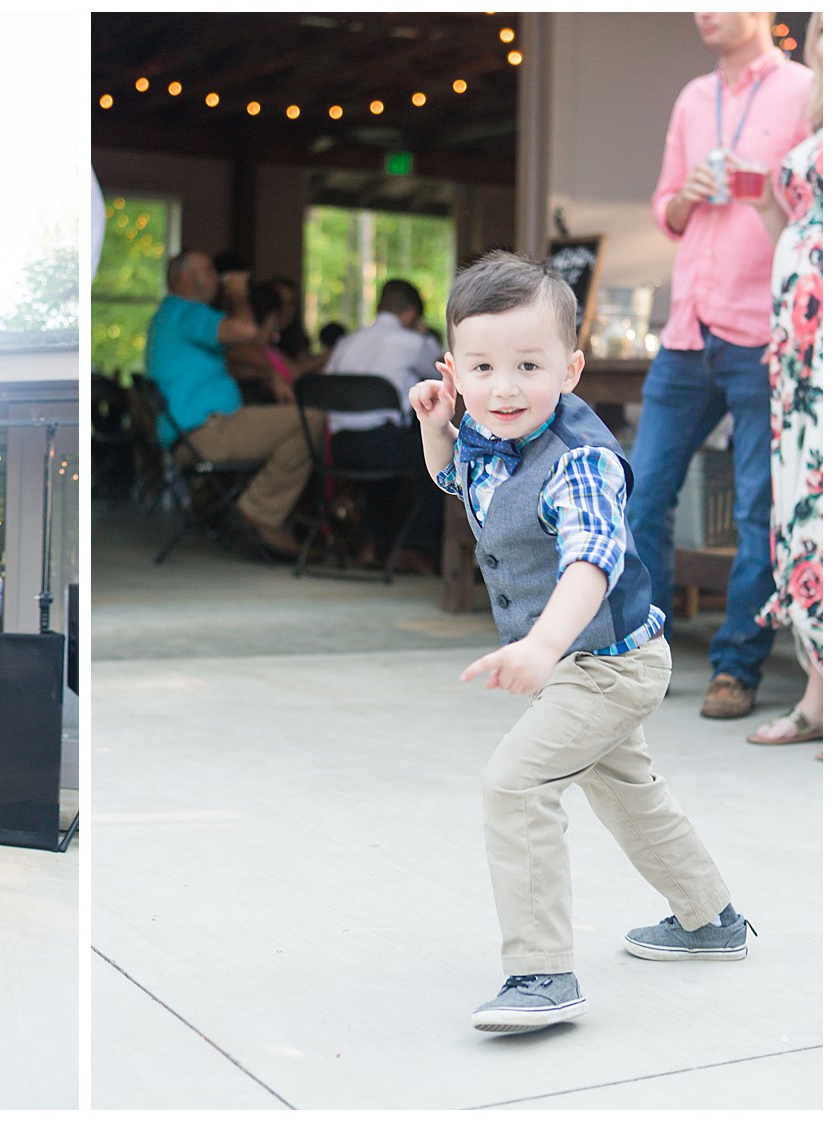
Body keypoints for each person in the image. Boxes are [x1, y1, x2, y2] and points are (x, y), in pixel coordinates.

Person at [409, 251, 748, 1034]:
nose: (504, 387)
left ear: (571, 368)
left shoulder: (581, 462)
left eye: (528, 365)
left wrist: (542, 645)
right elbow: (455, 484)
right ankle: (712, 919)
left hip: (605, 663)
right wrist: (438, 429)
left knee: (517, 786)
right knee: (630, 795)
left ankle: (541, 974)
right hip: (588, 661)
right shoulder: (487, 437)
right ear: (454, 368)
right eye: (483, 366)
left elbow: (592, 559)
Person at [628, 12, 814, 720]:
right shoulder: (689, 97)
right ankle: (643, 656)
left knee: (759, 507)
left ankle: (737, 665)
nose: (706, 12)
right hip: (686, 325)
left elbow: (815, 207)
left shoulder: (804, 90)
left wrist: (761, 188)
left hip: (763, 327)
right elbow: (666, 208)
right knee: (642, 492)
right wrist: (685, 196)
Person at [747, 13, 823, 751]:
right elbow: (793, 238)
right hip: (798, 348)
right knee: (800, 505)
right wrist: (766, 203)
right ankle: (816, 692)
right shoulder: (810, 133)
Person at [146, 249, 319, 558]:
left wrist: (268, 374)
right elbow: (246, 332)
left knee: (294, 421)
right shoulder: (187, 312)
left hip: (198, 433)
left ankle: (256, 510)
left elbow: (239, 356)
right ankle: (260, 512)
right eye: (209, 270)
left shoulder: (171, 316)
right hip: (207, 431)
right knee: (313, 419)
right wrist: (238, 294)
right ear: (183, 277)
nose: (217, 278)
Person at [322, 278, 446, 568]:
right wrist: (424, 336)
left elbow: (326, 385)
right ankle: (419, 547)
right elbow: (442, 378)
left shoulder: (345, 343)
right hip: (385, 445)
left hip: (340, 448)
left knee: (387, 475)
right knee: (439, 459)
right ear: (412, 314)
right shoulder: (415, 343)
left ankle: (370, 542)